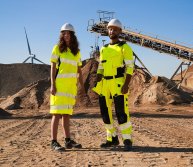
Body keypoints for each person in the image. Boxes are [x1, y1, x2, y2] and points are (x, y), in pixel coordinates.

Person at [93, 19, 134, 151]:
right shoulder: (104, 49)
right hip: (105, 84)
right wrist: (98, 79)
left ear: (120, 31)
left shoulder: (124, 47)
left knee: (121, 113)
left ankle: (127, 139)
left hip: (118, 83)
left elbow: (130, 68)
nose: (112, 31)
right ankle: (112, 138)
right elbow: (101, 66)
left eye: (115, 29)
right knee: (105, 113)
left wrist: (126, 84)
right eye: (110, 29)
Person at [50, 23, 84, 152]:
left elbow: (79, 70)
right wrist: (52, 85)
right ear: (61, 35)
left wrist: (82, 87)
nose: (66, 35)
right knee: (56, 114)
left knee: (66, 115)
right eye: (64, 33)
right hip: (59, 87)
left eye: (69, 33)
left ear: (73, 35)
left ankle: (67, 140)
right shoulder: (57, 49)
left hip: (70, 89)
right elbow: (53, 68)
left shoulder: (77, 52)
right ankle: (53, 142)